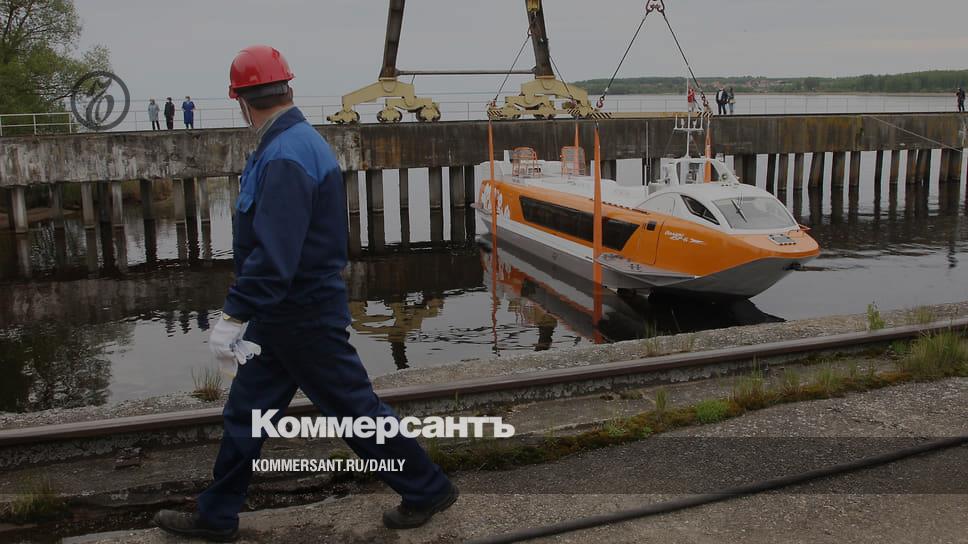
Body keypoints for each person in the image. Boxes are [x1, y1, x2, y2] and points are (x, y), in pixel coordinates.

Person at [151, 45, 457, 542]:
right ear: (287, 87)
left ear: (241, 100)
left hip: (301, 315)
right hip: (284, 316)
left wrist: (232, 315)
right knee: (247, 414)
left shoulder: (284, 155)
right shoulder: (294, 143)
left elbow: (275, 256)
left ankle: (427, 489)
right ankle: (216, 514)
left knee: (353, 410)